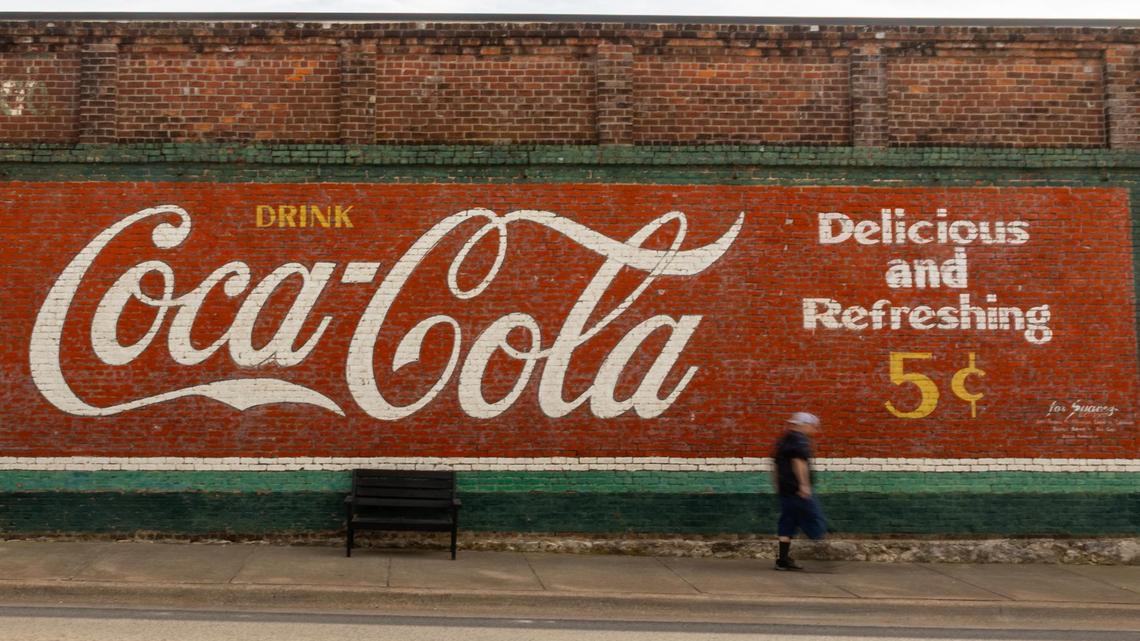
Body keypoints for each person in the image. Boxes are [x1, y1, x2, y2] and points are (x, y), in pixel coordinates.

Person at [771, 411, 827, 571]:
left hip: (785, 489)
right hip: (797, 490)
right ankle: (825, 552)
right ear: (804, 425)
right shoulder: (800, 440)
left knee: (787, 521)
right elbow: (799, 462)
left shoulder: (783, 441)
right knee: (814, 517)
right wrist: (804, 485)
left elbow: (775, 466)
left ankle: (782, 559)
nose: (815, 430)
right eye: (813, 426)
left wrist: (777, 485)